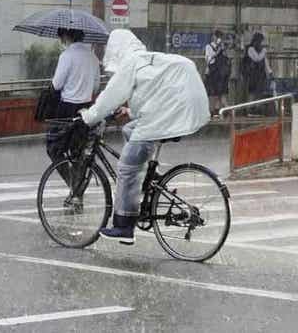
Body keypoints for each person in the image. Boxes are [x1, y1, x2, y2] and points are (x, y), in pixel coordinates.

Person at [80, 29, 209, 244]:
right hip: (181, 110)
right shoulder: (147, 60)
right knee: (129, 130)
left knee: (127, 168)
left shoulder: (131, 63)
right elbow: (156, 96)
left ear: (116, 50)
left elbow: (109, 97)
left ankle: (124, 226)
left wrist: (88, 118)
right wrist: (130, 112)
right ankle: (151, 177)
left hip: (165, 117)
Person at [46, 28, 100, 198]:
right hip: (86, 109)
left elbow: (57, 84)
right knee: (78, 151)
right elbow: (96, 86)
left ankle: (73, 184)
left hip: (66, 109)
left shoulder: (66, 56)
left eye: (61, 36)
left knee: (54, 148)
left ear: (66, 36)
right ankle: (78, 189)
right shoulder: (93, 57)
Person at [241, 32, 273, 115]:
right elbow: (257, 58)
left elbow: (265, 62)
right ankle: (249, 109)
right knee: (252, 92)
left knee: (259, 92)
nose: (261, 43)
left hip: (261, 75)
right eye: (261, 41)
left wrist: (269, 72)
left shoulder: (261, 50)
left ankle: (257, 109)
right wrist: (264, 51)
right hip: (252, 75)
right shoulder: (250, 49)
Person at [204, 30, 230, 117]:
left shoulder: (223, 47)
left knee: (221, 93)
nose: (218, 39)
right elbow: (209, 60)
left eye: (220, 37)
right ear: (213, 37)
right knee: (214, 93)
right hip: (213, 73)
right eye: (217, 36)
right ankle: (215, 110)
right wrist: (218, 49)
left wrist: (223, 49)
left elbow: (226, 58)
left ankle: (218, 110)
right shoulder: (209, 46)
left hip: (221, 74)